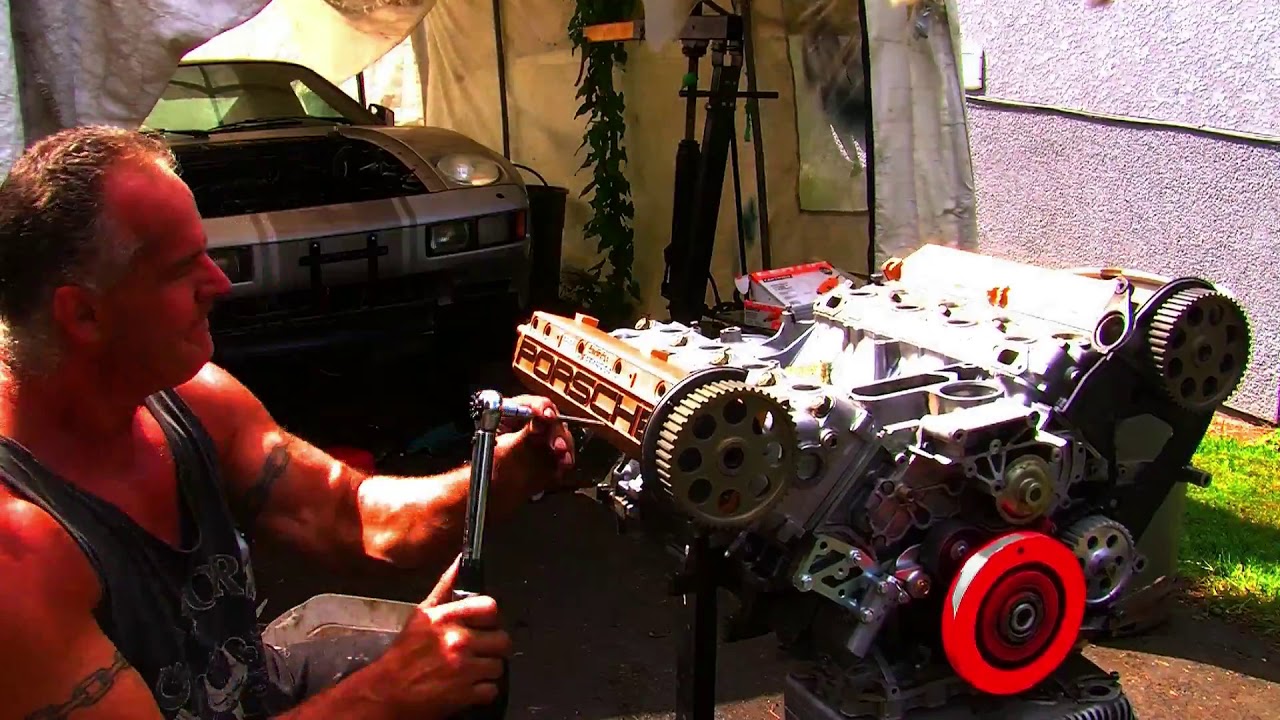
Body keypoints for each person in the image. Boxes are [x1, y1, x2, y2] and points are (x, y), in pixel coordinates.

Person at [0, 125, 579, 719]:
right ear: (83, 314)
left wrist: (500, 473)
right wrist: (385, 693)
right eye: (181, 269)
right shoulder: (17, 553)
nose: (219, 283)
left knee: (471, 675)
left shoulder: (190, 399)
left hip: (247, 684)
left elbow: (345, 515)